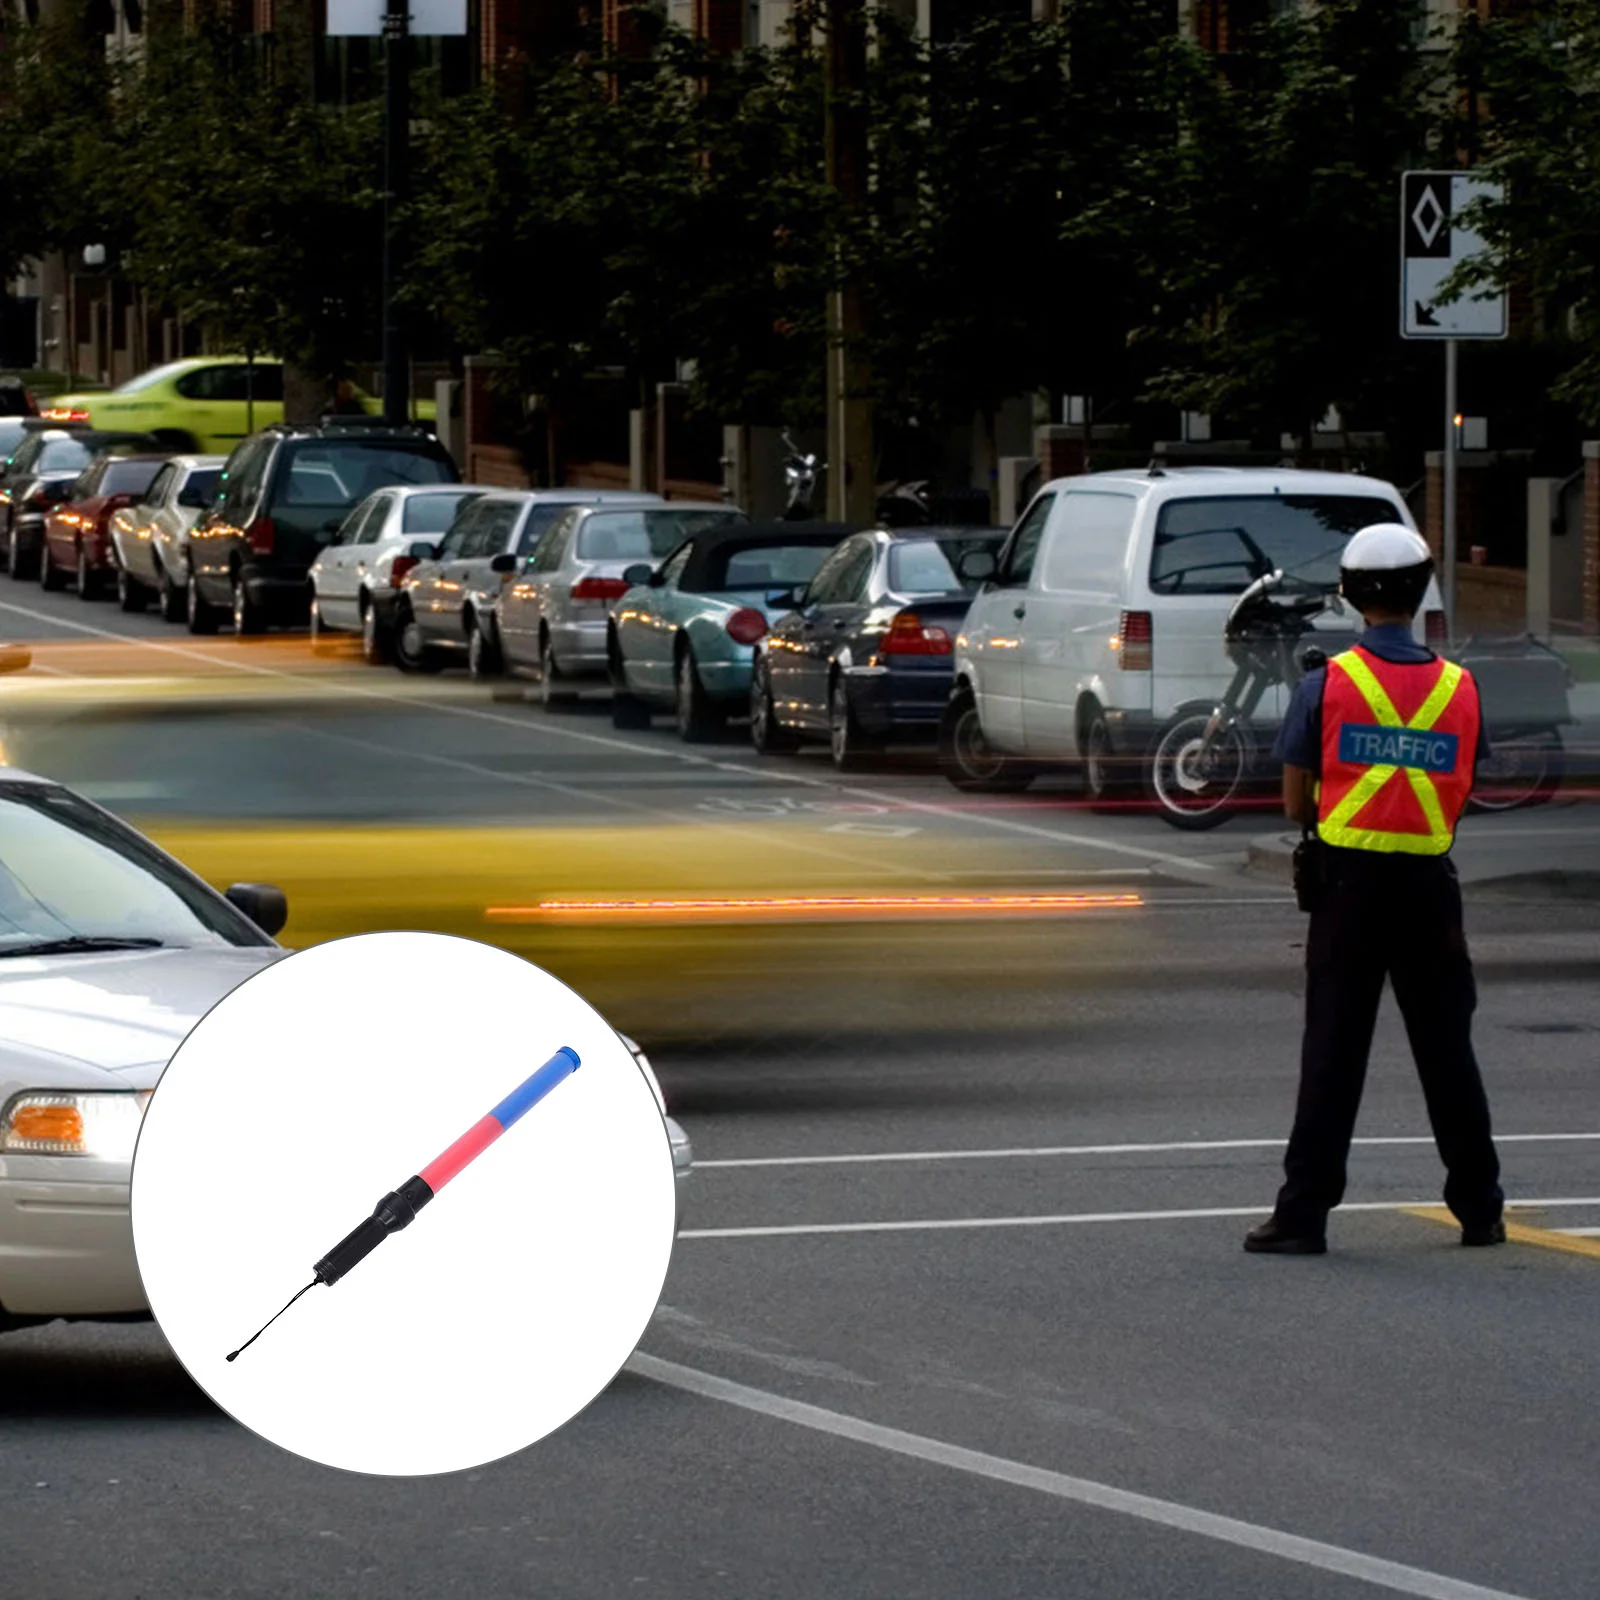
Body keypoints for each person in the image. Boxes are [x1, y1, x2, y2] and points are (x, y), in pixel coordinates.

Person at [1245, 523, 1505, 1255]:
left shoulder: (1324, 684)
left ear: (1350, 594)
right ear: (1423, 592)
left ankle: (1303, 1216)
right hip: (1429, 890)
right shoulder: (1461, 688)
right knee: (1448, 1052)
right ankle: (1480, 1210)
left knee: (1332, 1052)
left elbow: (1298, 803)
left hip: (1348, 889)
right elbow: (1463, 788)